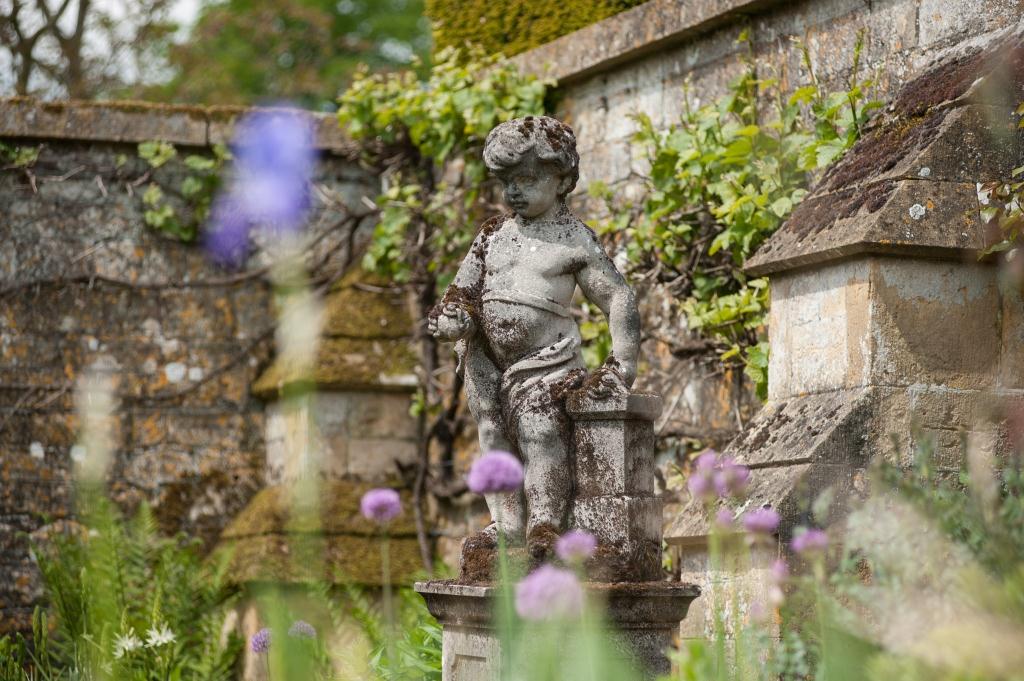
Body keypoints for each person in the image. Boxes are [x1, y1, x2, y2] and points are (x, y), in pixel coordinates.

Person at [428, 115, 641, 568]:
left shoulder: (573, 240)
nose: (513, 193)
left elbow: (617, 296)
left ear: (561, 179)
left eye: (525, 179)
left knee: (539, 430)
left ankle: (543, 522)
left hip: (547, 360)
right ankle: (504, 522)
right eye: (506, 182)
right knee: (491, 433)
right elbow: (461, 294)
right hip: (487, 357)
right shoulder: (492, 235)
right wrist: (454, 321)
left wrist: (622, 363)